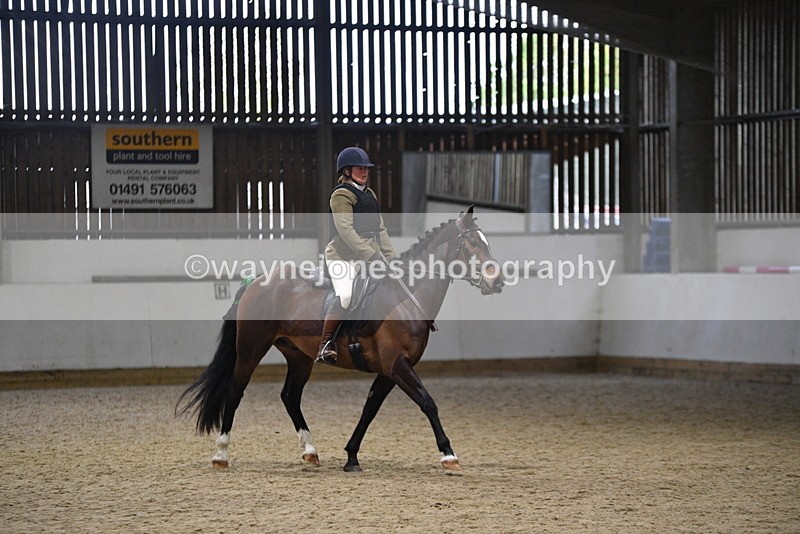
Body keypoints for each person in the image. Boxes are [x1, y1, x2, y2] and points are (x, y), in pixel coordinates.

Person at [316, 146, 398, 364]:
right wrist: (370, 255)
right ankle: (325, 344)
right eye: (359, 168)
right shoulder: (341, 195)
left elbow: (380, 230)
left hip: (369, 256)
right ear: (346, 171)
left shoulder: (369, 195)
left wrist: (391, 258)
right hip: (343, 256)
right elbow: (346, 230)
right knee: (345, 295)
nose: (364, 172)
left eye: (366, 168)